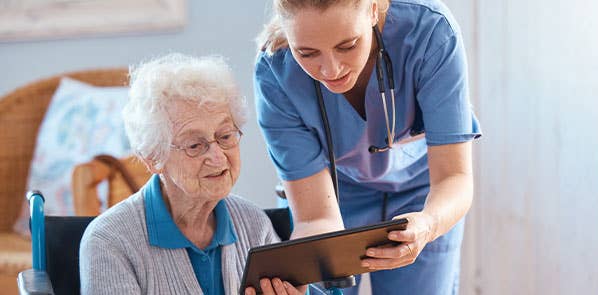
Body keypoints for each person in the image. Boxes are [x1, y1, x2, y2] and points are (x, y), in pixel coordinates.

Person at [254, 0, 481, 293]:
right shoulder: (275, 73)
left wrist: (428, 224)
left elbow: (455, 177)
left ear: (374, 9)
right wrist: (312, 278)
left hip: (422, 194)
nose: (330, 69)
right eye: (307, 53)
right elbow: (316, 218)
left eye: (347, 45)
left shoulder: (430, 32)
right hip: (330, 195)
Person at [79, 54, 307, 295]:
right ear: (153, 157)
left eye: (225, 136)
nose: (218, 157)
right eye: (195, 145)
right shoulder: (110, 241)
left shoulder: (253, 225)